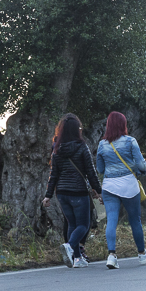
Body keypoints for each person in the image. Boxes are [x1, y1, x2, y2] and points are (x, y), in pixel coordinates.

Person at [94, 111, 146, 269]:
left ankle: (111, 256)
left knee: (111, 220)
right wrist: (141, 168)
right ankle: (142, 253)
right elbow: (141, 165)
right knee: (135, 220)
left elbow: (100, 169)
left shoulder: (102, 144)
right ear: (123, 125)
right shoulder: (130, 141)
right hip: (128, 185)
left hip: (109, 186)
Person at [42, 114, 103, 268]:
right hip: (78, 192)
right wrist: (99, 190)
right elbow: (90, 171)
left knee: (72, 224)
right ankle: (70, 246)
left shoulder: (56, 149)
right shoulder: (82, 146)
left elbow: (53, 175)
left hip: (62, 193)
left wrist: (48, 195)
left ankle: (77, 259)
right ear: (77, 130)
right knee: (83, 225)